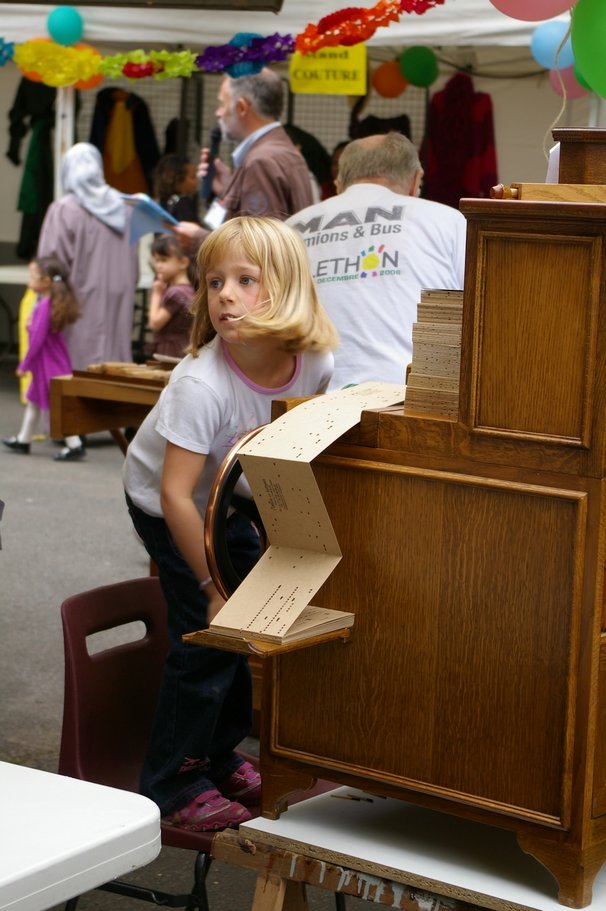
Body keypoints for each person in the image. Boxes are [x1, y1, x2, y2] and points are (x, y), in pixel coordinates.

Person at [123, 215, 337, 831]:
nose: (224, 296)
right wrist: (214, 587)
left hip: (227, 493)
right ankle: (171, 782)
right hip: (168, 501)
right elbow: (174, 494)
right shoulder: (201, 383)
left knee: (247, 629)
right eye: (214, 281)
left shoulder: (314, 362)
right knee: (206, 635)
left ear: (288, 287)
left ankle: (216, 756)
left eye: (246, 280)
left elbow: (294, 449)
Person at [286, 131, 467, 390]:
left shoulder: (291, 228)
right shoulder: (450, 222)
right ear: (417, 181)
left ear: (338, 183)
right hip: (409, 401)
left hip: (302, 402)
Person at [173, 68, 313, 255]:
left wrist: (199, 240)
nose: (218, 113)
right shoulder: (283, 150)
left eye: (222, 104)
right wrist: (229, 189)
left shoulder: (261, 161)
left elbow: (257, 249)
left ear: (242, 108)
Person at [36, 142, 139, 371]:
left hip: (75, 307)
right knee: (113, 372)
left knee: (75, 372)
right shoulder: (127, 208)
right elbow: (134, 268)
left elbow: (50, 266)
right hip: (118, 305)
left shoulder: (63, 210)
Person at [3, 255, 85, 461]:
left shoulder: (43, 307)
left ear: (46, 281)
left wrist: (24, 365)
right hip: (50, 364)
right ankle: (23, 440)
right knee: (34, 401)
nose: (29, 280)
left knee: (55, 406)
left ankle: (74, 444)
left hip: (49, 366)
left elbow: (37, 341)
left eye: (33, 276)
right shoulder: (50, 304)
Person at [147, 233, 195, 359]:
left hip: (170, 351)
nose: (158, 266)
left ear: (183, 262)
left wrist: (156, 293)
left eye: (164, 260)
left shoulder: (175, 293)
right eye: (156, 260)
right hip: (183, 347)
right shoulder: (190, 290)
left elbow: (155, 323)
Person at [153, 153, 200, 224]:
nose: (196, 180)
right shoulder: (184, 204)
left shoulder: (162, 203)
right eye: (193, 177)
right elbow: (194, 232)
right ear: (178, 181)